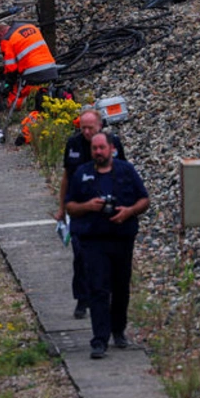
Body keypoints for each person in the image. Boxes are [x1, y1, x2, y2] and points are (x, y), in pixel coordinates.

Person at [66, 132, 149, 360]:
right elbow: (70, 206)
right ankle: (99, 339)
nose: (98, 152)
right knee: (98, 290)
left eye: (102, 148)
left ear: (111, 149)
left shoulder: (126, 170)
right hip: (94, 240)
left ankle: (118, 330)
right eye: (95, 149)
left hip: (122, 238)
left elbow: (144, 200)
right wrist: (89, 207)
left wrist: (129, 211)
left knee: (121, 288)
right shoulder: (82, 173)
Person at [55, 110, 127, 320]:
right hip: (80, 208)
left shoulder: (113, 144)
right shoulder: (74, 144)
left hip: (107, 207)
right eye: (82, 128)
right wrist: (62, 208)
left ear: (100, 126)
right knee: (80, 255)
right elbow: (66, 178)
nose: (86, 132)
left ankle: (108, 297)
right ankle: (82, 298)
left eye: (90, 128)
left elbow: (123, 173)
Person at [0, 21, 59, 109]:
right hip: (52, 69)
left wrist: (9, 84)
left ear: (0, 34)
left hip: (33, 75)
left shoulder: (6, 40)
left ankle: (24, 104)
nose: (0, 44)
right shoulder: (31, 27)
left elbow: (11, 69)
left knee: (13, 99)